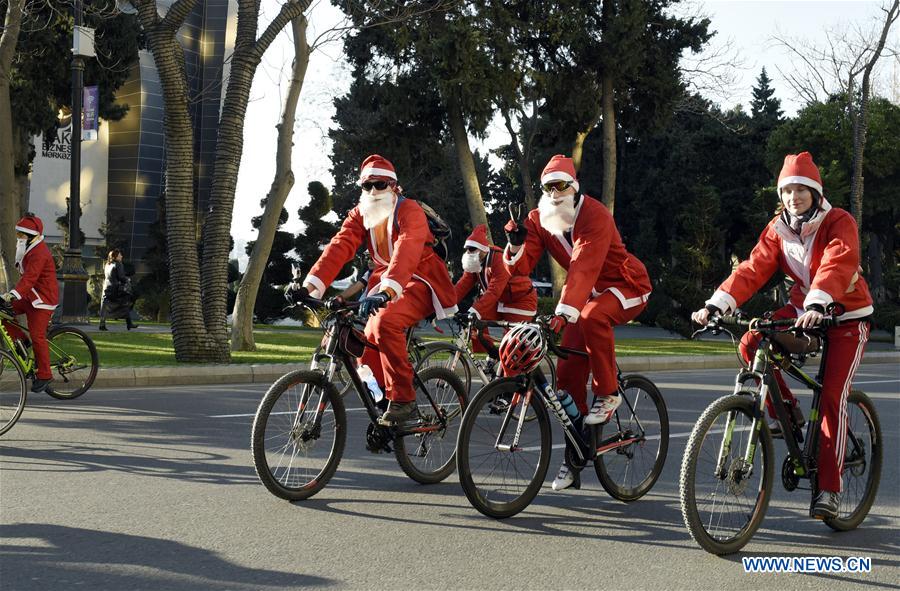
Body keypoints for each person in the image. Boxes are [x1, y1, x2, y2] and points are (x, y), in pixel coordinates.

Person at [691, 151, 873, 520]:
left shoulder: (839, 221)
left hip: (846, 316)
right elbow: (752, 269)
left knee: (832, 397)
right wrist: (716, 304)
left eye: (801, 189)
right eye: (787, 190)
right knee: (751, 341)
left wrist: (819, 303)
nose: (794, 197)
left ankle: (829, 489)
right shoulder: (779, 228)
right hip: (803, 310)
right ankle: (788, 417)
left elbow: (838, 262)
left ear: (816, 192)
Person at [503, 155, 652, 491]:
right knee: (567, 377)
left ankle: (609, 392)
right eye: (548, 187)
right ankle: (574, 459)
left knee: (592, 315)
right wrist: (515, 244)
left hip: (627, 286)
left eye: (561, 185)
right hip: (584, 297)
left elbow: (583, 265)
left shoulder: (595, 214)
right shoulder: (540, 219)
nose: (555, 193)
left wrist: (563, 312)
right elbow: (524, 264)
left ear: (574, 187)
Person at [295, 155, 457, 425]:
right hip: (383, 282)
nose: (372, 191)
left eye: (380, 184)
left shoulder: (410, 211)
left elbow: (407, 249)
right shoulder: (360, 213)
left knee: (384, 324)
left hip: (420, 279)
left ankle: (404, 400)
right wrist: (309, 288)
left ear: (393, 186)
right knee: (362, 338)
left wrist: (388, 291)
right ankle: (382, 399)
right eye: (366, 186)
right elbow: (339, 247)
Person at [454, 224, 537, 366]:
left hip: (519, 301)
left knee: (511, 346)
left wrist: (474, 311)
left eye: (472, 249)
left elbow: (494, 290)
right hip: (500, 301)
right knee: (474, 324)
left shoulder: (498, 259)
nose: (469, 252)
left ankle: (510, 371)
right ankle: (493, 354)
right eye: (467, 249)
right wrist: (444, 303)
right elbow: (462, 285)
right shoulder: (474, 263)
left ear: (483, 249)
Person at [0, 214, 58, 392]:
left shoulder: (39, 253)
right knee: (2, 312)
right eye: (18, 234)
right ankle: (21, 342)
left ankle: (45, 375)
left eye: (21, 235)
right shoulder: (28, 248)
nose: (19, 238)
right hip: (30, 296)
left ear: (32, 236)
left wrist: (13, 294)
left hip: (42, 300)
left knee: (38, 336)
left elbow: (30, 278)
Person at [99, 249, 138, 331]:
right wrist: (127, 280)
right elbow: (121, 277)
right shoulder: (118, 264)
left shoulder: (107, 264)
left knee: (104, 306)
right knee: (125, 304)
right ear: (116, 256)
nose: (121, 256)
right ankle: (129, 323)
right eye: (120, 255)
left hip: (107, 288)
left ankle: (102, 324)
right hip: (116, 289)